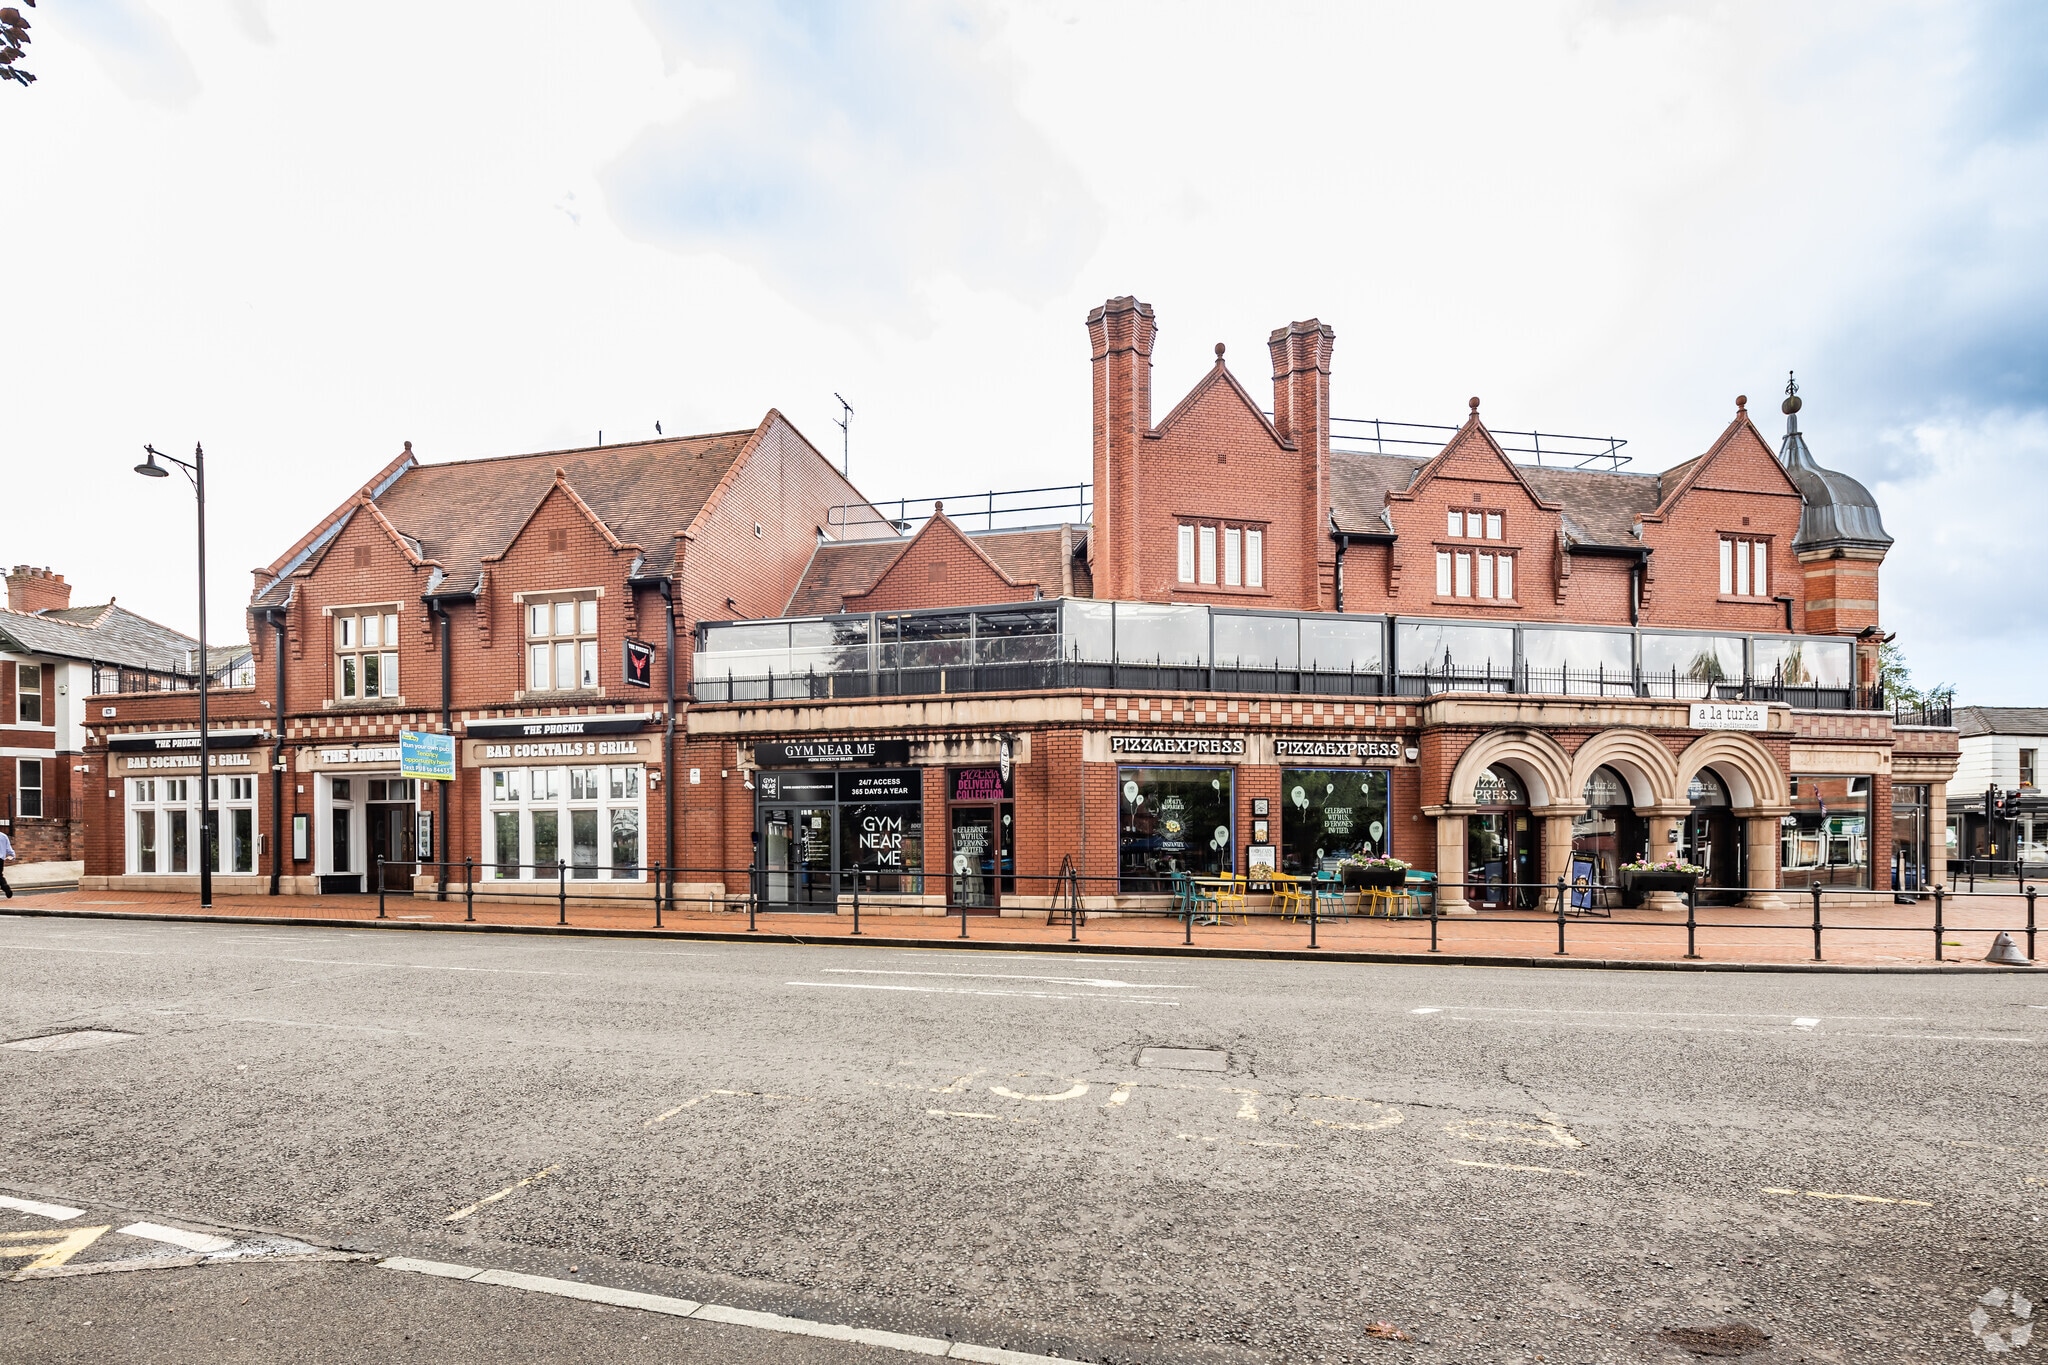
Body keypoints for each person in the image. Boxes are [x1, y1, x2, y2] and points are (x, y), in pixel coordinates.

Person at [0, 827, 13, 898]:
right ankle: (5, 886)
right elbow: (8, 849)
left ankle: (4, 886)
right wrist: (12, 855)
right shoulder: (3, 836)